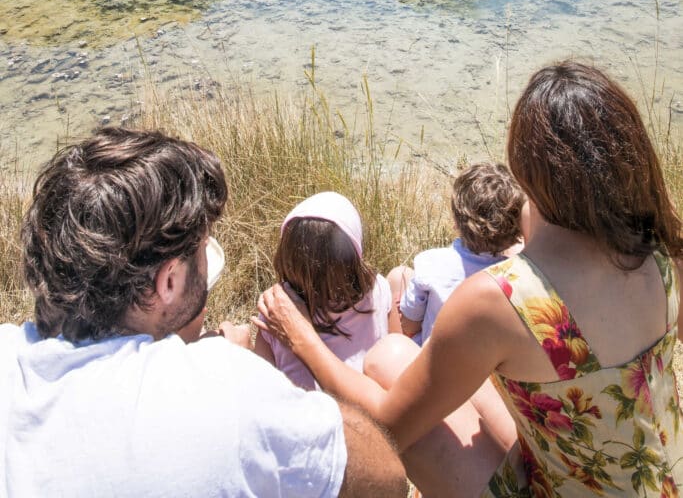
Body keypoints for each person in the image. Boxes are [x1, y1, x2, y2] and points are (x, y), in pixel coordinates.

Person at [255, 61, 683, 497]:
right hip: (661, 483)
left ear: (525, 169)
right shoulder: (664, 250)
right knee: (396, 355)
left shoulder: (502, 300)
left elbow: (388, 429)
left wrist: (301, 337)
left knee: (389, 358)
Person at [0, 127, 406, 498]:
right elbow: (386, 478)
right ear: (170, 282)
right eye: (202, 250)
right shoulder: (226, 387)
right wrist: (223, 366)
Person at [255, 191, 394, 389]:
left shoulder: (276, 309)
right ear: (353, 256)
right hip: (373, 411)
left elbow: (264, 387)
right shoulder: (379, 290)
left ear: (286, 256)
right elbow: (396, 352)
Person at [390, 162, 525, 344]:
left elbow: (409, 325)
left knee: (399, 275)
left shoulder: (430, 264)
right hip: (484, 367)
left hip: (432, 361)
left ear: (456, 219)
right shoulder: (516, 277)